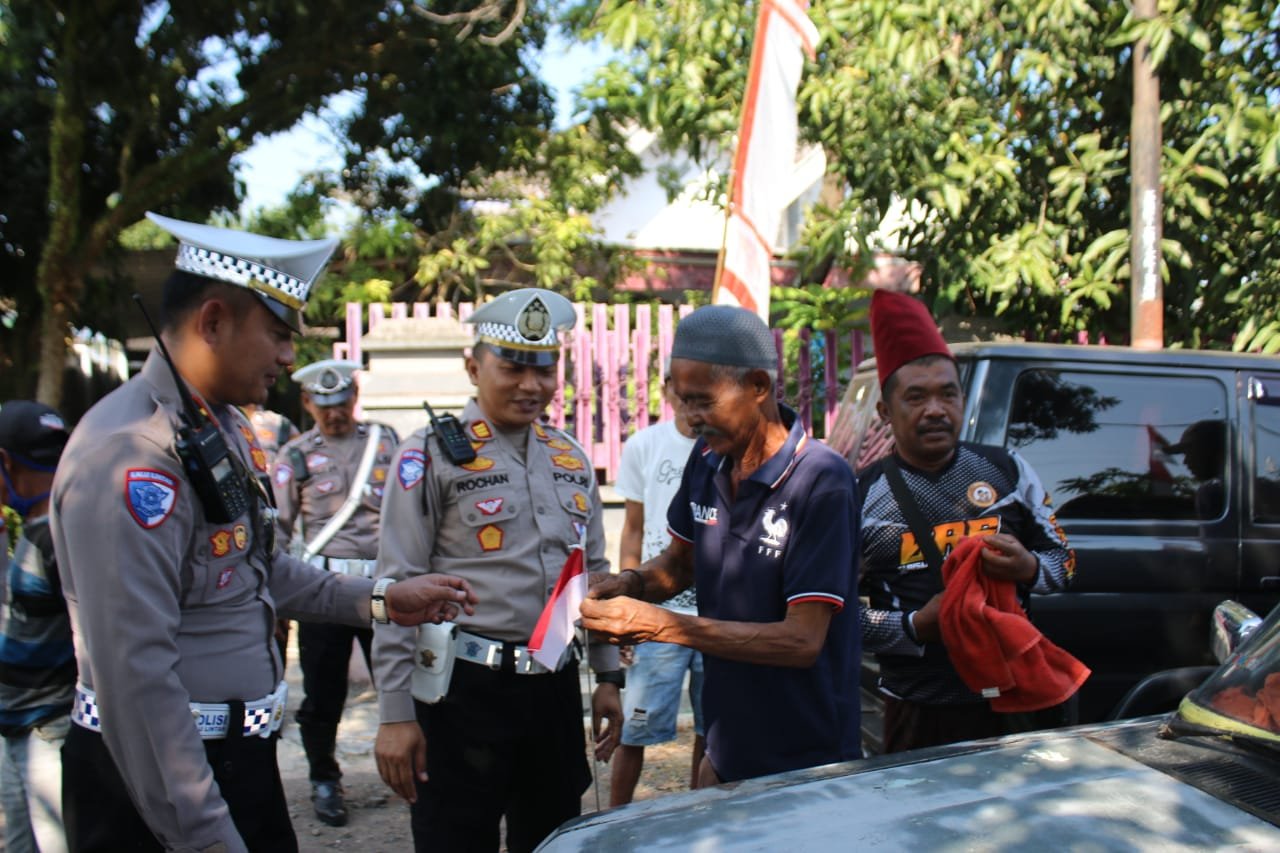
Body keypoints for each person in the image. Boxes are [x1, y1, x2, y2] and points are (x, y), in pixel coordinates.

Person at [49, 212, 478, 853]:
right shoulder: (135, 454)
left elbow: (257, 568)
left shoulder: (218, 426)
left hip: (232, 762)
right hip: (158, 780)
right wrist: (207, 837)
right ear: (213, 321)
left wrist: (381, 599)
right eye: (278, 334)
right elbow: (137, 679)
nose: (289, 356)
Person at [372, 287, 623, 853]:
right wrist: (394, 715)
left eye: (545, 369)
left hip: (554, 686)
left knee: (553, 836)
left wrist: (608, 676)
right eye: (511, 367)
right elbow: (395, 588)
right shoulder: (427, 455)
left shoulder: (569, 456)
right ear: (473, 366)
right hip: (463, 695)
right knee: (456, 838)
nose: (531, 386)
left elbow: (594, 573)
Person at [582, 305, 862, 785]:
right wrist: (628, 584)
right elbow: (680, 563)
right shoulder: (708, 459)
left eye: (703, 401)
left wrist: (662, 626)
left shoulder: (822, 480)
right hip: (728, 740)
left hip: (808, 756)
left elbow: (801, 641)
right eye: (683, 400)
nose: (690, 419)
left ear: (758, 386)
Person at [858, 288, 1076, 754]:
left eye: (947, 394)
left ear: (963, 401)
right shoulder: (859, 495)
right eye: (915, 397)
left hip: (1011, 702)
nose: (935, 409)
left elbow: (1068, 564)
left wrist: (1029, 569)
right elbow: (834, 617)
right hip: (916, 708)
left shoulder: (1008, 471)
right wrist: (916, 625)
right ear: (884, 412)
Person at [272, 358, 398, 826]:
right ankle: (324, 777)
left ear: (354, 397)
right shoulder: (296, 457)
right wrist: (277, 603)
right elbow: (279, 534)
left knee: (401, 680)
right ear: (308, 403)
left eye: (341, 402)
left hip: (383, 587)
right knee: (324, 693)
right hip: (323, 591)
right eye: (323, 406)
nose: (334, 413)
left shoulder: (385, 443)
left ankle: (415, 768)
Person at [609, 364, 703, 806]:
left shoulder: (721, 445)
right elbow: (633, 528)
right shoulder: (644, 445)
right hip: (658, 612)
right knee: (634, 726)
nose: (689, 401)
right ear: (667, 391)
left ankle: (703, 811)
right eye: (680, 390)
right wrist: (626, 607)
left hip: (717, 614)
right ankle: (615, 815)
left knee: (714, 728)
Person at [0, 400, 73, 853]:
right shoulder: (37, 527)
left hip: (49, 727)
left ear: (4, 462)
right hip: (14, 719)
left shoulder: (57, 537)